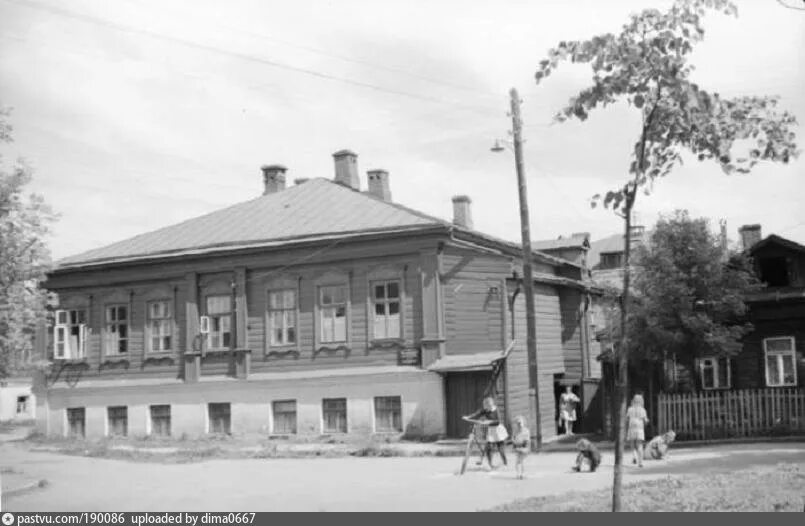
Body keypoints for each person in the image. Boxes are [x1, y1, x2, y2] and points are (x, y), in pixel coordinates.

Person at [463, 397, 508, 469]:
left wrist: (489, 422)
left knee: (500, 448)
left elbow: (498, 421)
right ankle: (490, 464)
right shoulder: (485, 410)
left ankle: (505, 463)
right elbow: (477, 414)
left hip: (498, 430)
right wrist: (468, 417)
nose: (487, 409)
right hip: (491, 430)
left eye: (488, 407)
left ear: (491, 405)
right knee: (489, 448)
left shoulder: (496, 410)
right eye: (486, 407)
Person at [626, 394, 649, 467]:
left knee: (632, 443)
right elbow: (645, 420)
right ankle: (640, 462)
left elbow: (627, 419)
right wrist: (646, 422)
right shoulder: (643, 410)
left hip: (631, 428)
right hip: (639, 429)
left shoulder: (630, 409)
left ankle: (634, 455)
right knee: (639, 445)